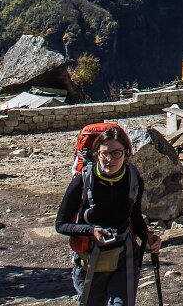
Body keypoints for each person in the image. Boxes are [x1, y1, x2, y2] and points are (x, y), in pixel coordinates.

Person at [55, 126, 160, 306]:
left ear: (126, 153)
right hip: (90, 262)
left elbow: (133, 217)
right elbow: (61, 224)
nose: (109, 159)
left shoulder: (133, 179)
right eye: (104, 153)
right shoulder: (83, 180)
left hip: (124, 258)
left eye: (116, 153)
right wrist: (91, 231)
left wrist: (148, 237)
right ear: (96, 154)